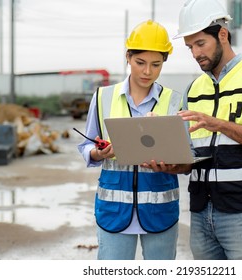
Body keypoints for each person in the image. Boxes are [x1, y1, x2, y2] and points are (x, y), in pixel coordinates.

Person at [148, 0, 242, 260]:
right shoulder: (194, 89)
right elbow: (192, 154)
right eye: (190, 47)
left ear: (222, 34)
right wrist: (173, 165)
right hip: (201, 212)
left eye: (200, 44)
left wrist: (216, 122)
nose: (195, 53)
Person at [77, 20, 182, 260]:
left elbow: (184, 156)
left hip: (160, 211)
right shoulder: (103, 97)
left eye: (156, 64)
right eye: (140, 62)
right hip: (114, 211)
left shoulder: (174, 101)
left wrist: (169, 158)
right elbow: (87, 145)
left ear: (164, 62)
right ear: (128, 57)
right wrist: (98, 153)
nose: (147, 71)